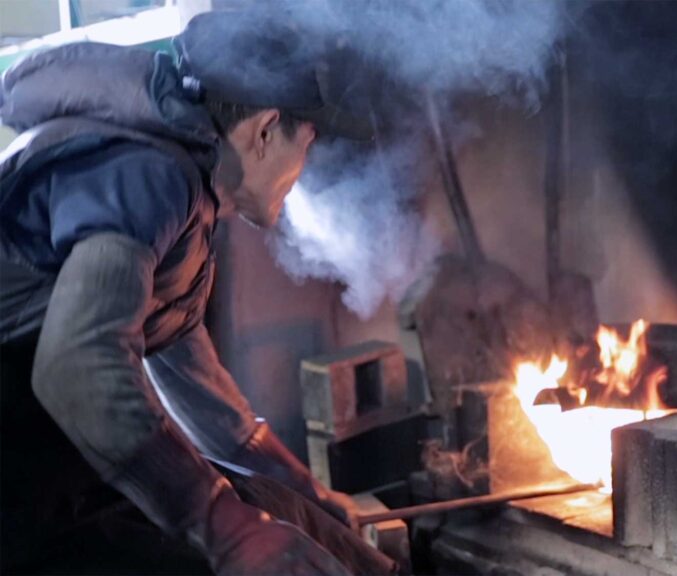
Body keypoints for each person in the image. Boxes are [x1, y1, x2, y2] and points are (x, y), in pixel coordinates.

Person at [0, 11, 393, 575]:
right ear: (264, 130)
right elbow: (75, 366)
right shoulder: (148, 175)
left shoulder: (181, 183)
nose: (303, 168)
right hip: (18, 494)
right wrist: (230, 533)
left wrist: (303, 497)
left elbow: (196, 390)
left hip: (51, 467)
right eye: (307, 143)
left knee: (282, 516)